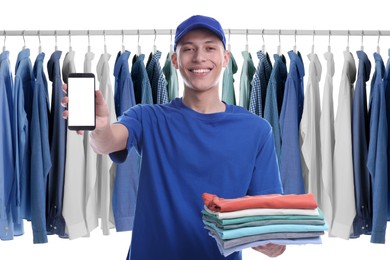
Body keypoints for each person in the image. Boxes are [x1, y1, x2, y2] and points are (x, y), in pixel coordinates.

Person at [62, 14, 286, 260]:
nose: (199, 57)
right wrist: (100, 127)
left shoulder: (257, 130)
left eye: (210, 48)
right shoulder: (147, 117)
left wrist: (274, 244)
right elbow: (106, 142)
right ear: (175, 61)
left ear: (225, 59)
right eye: (188, 49)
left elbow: (270, 221)